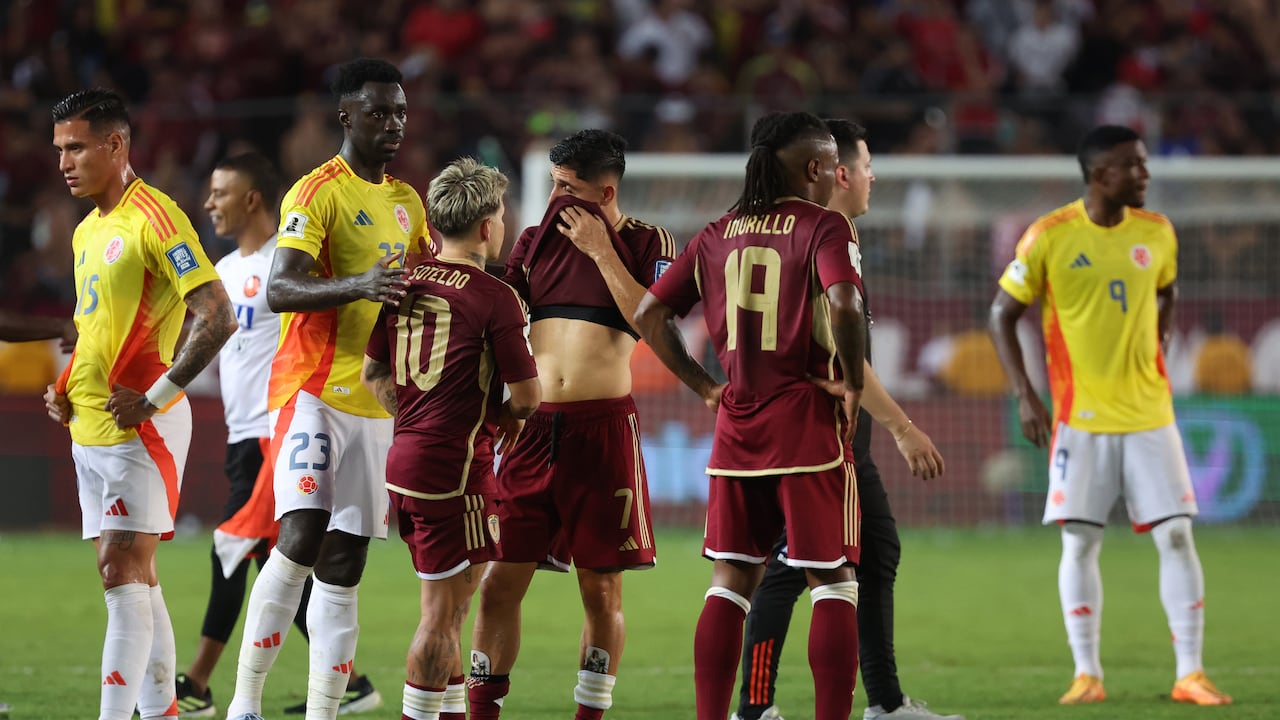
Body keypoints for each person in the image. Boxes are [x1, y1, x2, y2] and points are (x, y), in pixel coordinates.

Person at [635, 110, 867, 720]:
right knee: (834, 580)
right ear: (816, 169)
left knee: (731, 582)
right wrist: (851, 381)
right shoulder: (825, 225)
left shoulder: (717, 231)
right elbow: (843, 299)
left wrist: (705, 387)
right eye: (832, 167)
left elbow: (648, 315)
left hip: (736, 429)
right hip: (806, 426)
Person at [989, 124, 1232, 707]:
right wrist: (1026, 393)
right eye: (1134, 166)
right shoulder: (1049, 236)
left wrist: (1163, 329)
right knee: (1079, 543)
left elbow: (1167, 289)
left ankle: (1190, 673)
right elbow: (1002, 314)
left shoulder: (1158, 232)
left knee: (1176, 535)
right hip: (1080, 417)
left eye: (1144, 165)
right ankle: (1087, 674)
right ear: (1101, 175)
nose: (1145, 175)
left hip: (1151, 413)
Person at [731, 120, 958, 720]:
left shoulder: (837, 233)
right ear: (836, 173)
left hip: (840, 435)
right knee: (790, 567)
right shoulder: (819, 236)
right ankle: (754, 707)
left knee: (876, 552)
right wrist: (904, 428)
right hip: (817, 436)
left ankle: (883, 702)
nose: (870, 177)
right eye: (864, 166)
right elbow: (847, 358)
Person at [225, 57, 428, 720]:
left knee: (345, 563)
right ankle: (245, 703)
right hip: (312, 390)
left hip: (377, 403)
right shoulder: (316, 192)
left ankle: (321, 713)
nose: (392, 123)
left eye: (399, 111)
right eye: (377, 111)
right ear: (345, 116)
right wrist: (358, 285)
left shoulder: (406, 204)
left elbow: (424, 291)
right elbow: (282, 286)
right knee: (302, 534)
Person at [467, 129, 676, 720]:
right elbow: (497, 317)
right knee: (498, 582)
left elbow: (652, 320)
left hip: (602, 432)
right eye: (554, 184)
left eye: (568, 187)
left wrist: (600, 250)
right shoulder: (534, 241)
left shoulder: (646, 240)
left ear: (605, 191)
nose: (555, 197)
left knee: (600, 588)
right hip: (532, 431)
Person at [44, 88, 237, 720]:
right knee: (136, 578)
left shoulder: (158, 218)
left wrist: (155, 398)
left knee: (119, 568)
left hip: (140, 429)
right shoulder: (85, 231)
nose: (65, 162)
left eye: (76, 147)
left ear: (115, 144)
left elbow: (217, 316)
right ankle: (161, 711)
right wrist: (66, 383)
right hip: (89, 427)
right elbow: (94, 328)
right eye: (59, 149)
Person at [172, 153, 376, 718]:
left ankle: (199, 684)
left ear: (252, 198)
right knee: (283, 562)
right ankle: (352, 682)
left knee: (231, 547)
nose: (209, 202)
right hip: (242, 434)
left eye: (220, 191)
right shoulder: (224, 270)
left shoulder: (283, 267)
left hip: (275, 431)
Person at [362, 157, 540, 720]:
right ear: (487, 225)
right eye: (503, 213)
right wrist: (504, 420)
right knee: (441, 615)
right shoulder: (494, 296)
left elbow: (373, 376)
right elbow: (530, 396)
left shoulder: (404, 280)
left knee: (451, 605)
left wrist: (413, 415)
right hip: (454, 470)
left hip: (405, 461)